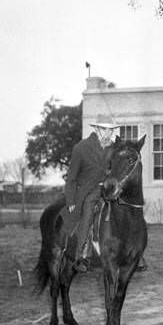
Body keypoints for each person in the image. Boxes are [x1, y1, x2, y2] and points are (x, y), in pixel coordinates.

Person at [65, 115, 120, 272]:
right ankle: (82, 256)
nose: (108, 133)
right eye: (105, 129)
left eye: (111, 130)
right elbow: (71, 178)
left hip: (111, 189)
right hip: (89, 191)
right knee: (88, 213)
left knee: (125, 210)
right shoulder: (81, 148)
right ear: (96, 129)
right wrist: (71, 201)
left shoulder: (115, 148)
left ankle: (133, 252)